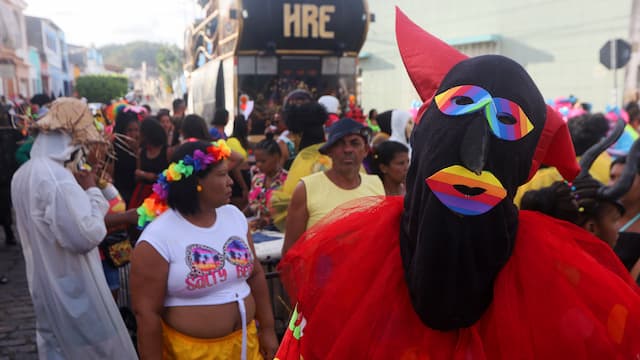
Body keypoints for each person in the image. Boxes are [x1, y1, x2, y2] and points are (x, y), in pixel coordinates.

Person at [274, 10, 640, 359]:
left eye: (506, 121)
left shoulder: (557, 279)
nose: (476, 158)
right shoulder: (346, 264)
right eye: (462, 106)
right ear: (428, 134)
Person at [11, 98, 137, 359]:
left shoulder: (24, 173)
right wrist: (91, 189)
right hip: (75, 289)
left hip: (48, 288)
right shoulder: (57, 179)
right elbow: (87, 235)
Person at [130, 140, 278, 359]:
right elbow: (146, 315)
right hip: (191, 353)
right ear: (196, 181)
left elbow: (256, 274)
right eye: (222, 175)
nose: (231, 183)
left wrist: (267, 329)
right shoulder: (157, 238)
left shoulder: (234, 216)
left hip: (247, 344)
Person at [282, 118, 385, 256]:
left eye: (355, 143)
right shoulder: (306, 189)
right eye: (339, 144)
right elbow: (290, 252)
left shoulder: (375, 184)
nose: (348, 149)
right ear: (329, 150)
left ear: (365, 150)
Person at [248, 134, 288, 230]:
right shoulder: (257, 179)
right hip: (256, 227)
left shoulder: (287, 180)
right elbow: (251, 206)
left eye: (263, 161)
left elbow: (289, 213)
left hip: (279, 230)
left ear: (276, 157)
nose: (258, 165)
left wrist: (266, 221)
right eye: (257, 161)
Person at [129, 117, 169, 210]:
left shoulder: (167, 151)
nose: (138, 135)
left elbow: (172, 175)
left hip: (160, 195)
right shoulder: (141, 152)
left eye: (140, 132)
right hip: (143, 195)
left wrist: (152, 176)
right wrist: (142, 174)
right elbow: (137, 177)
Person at [113, 107, 142, 204]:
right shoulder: (115, 149)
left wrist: (137, 151)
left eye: (136, 130)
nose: (134, 134)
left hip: (137, 194)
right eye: (129, 130)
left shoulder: (143, 148)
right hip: (121, 194)